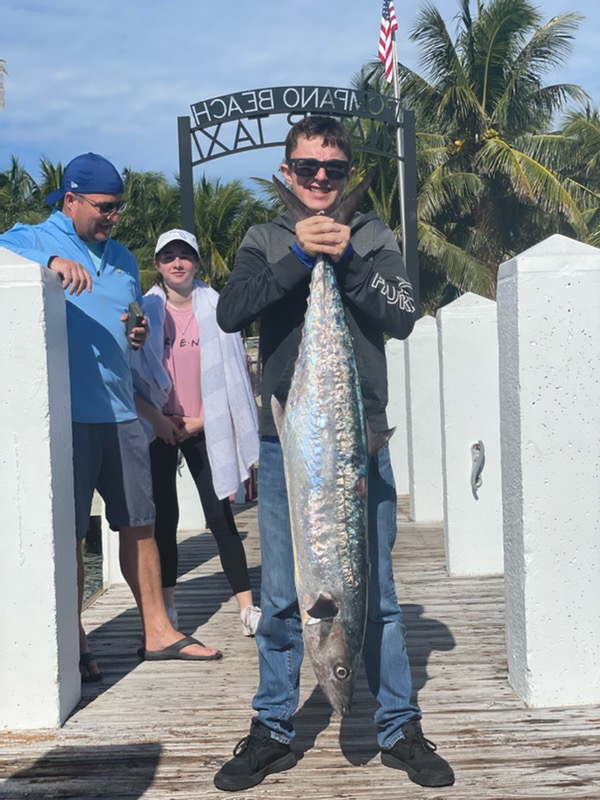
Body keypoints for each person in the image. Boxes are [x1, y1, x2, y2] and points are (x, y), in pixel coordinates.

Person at [213, 117, 455, 790]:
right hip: (287, 445)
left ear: (348, 175)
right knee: (280, 596)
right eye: (308, 168)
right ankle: (272, 727)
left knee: (377, 593)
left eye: (335, 170)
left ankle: (399, 726)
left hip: (357, 442)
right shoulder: (265, 236)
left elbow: (402, 314)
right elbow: (232, 312)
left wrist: (346, 259)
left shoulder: (372, 236)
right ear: (287, 173)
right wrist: (299, 255)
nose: (321, 179)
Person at [0, 153, 221, 682]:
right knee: (72, 535)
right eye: (103, 207)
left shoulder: (121, 256)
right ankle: (75, 642)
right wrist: (50, 262)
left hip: (123, 413)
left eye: (118, 207)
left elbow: (126, 318)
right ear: (69, 200)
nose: (113, 217)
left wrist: (135, 334)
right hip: (68, 417)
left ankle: (158, 631)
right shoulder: (32, 238)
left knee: (141, 524)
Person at [133, 228, 261, 635]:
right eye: (168, 256)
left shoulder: (218, 308)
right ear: (157, 265)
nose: (177, 263)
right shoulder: (143, 311)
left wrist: (201, 421)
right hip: (158, 426)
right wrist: (159, 419)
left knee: (220, 516)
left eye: (185, 255)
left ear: (197, 262)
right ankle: (169, 609)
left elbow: (235, 375)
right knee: (164, 518)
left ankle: (247, 607)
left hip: (206, 425)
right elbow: (132, 374)